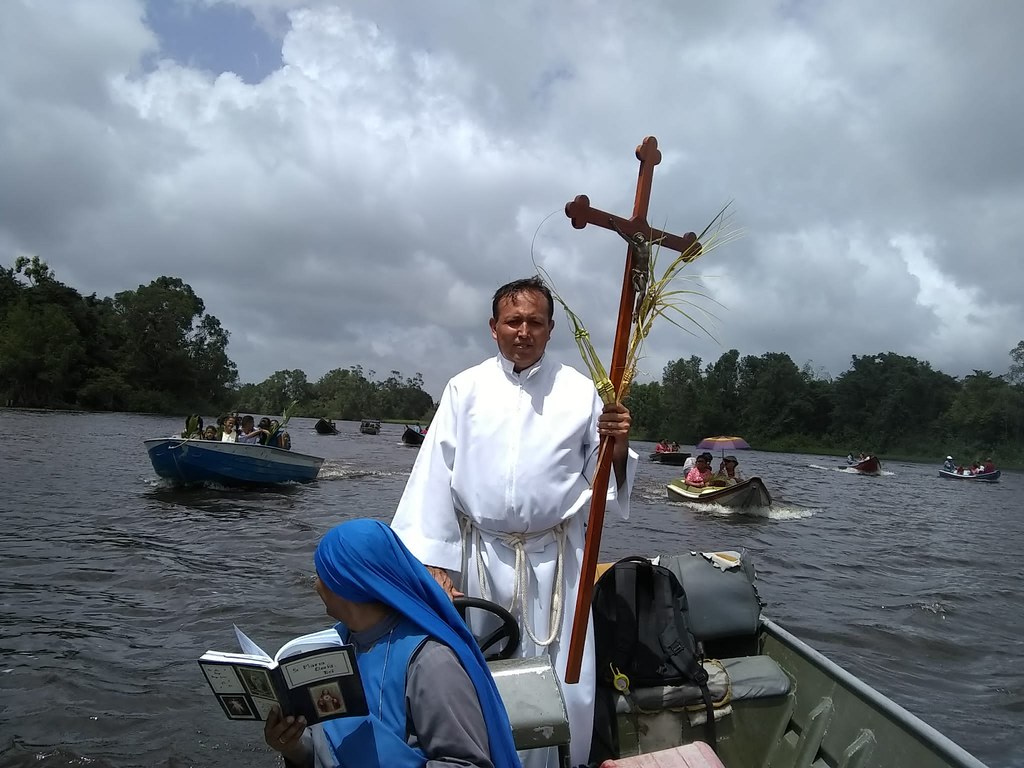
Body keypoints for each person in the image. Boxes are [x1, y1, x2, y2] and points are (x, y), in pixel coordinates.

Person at [390, 276, 636, 768]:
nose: (524, 331)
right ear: (494, 328)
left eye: (535, 322)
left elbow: (601, 480)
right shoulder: (465, 388)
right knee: (479, 669)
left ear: (549, 330)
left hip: (555, 561)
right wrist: (437, 563)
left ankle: (559, 761)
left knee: (565, 678)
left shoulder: (581, 391)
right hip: (479, 554)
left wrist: (621, 445)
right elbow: (435, 475)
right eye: (513, 321)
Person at [264, 519, 520, 768]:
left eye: (320, 575)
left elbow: (466, 763)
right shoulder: (336, 645)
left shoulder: (430, 662)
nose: (315, 585)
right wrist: (293, 746)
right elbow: (329, 751)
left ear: (345, 584)